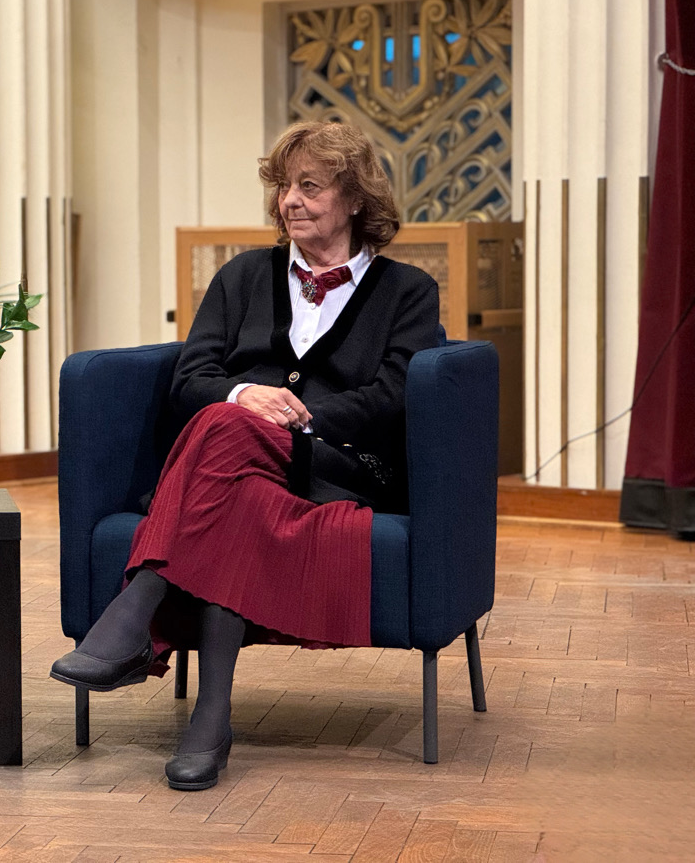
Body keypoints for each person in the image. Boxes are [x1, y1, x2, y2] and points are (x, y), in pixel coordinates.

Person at [50, 120, 440, 790]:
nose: (290, 200)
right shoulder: (241, 277)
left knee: (224, 429)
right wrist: (243, 395)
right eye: (284, 186)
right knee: (236, 471)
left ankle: (136, 609)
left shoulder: (407, 290)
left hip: (338, 465)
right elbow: (190, 377)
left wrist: (299, 417)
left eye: (309, 186)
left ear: (354, 198)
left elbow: (395, 393)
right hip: (237, 465)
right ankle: (211, 719)